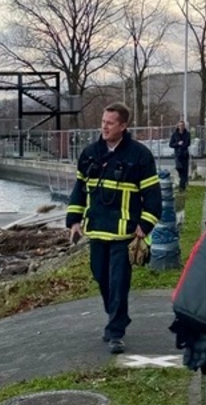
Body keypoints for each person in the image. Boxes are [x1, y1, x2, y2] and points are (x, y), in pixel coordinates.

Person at [67, 103, 162, 354]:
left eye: (110, 122)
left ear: (123, 126)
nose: (104, 126)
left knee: (119, 281)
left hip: (125, 232)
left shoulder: (140, 155)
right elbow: (79, 190)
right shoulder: (89, 153)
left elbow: (152, 195)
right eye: (103, 121)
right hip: (97, 230)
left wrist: (145, 224)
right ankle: (116, 316)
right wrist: (74, 221)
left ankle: (115, 332)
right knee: (101, 276)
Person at [168, 121, 192, 191]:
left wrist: (183, 145)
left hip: (185, 154)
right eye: (180, 126)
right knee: (178, 167)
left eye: (182, 125)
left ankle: (182, 187)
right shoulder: (174, 134)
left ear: (184, 126)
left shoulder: (187, 134)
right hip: (178, 155)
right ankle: (182, 179)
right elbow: (171, 144)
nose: (181, 127)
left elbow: (188, 143)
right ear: (178, 126)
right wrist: (178, 144)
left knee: (185, 170)